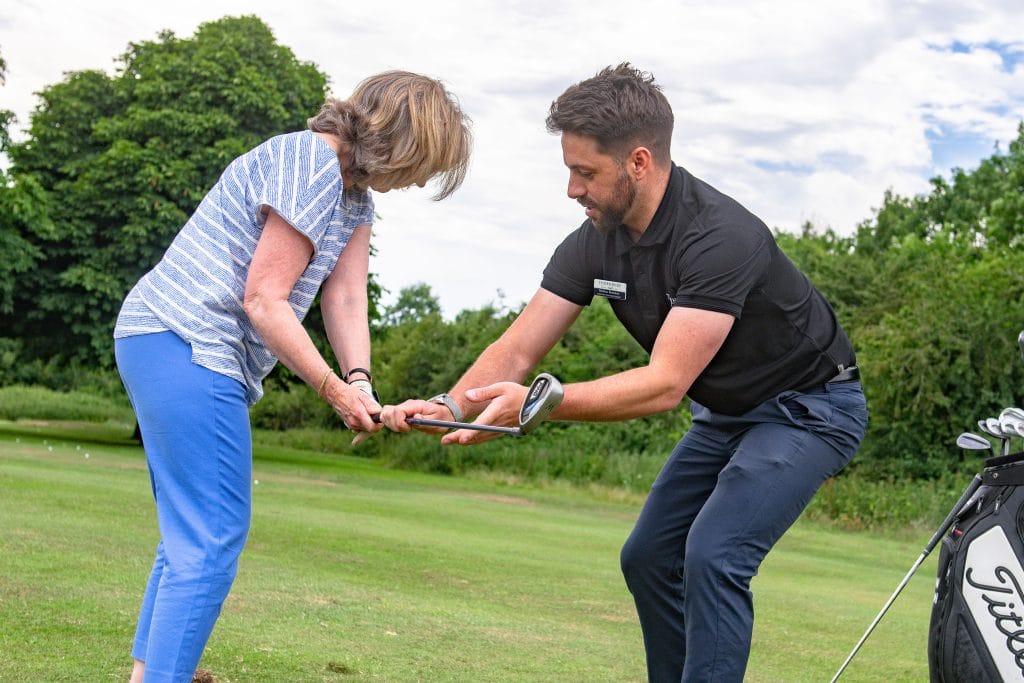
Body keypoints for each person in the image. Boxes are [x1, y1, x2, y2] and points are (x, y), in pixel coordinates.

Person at [381, 63, 867, 682]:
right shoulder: (594, 240)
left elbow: (665, 385)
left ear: (638, 162)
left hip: (810, 409)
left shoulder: (721, 237)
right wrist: (448, 405)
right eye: (568, 171)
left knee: (714, 556)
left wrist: (540, 403)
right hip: (728, 415)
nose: (572, 190)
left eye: (586, 172)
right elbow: (520, 346)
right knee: (648, 557)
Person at [113, 70, 472, 683]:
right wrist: (332, 391)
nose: (418, 180)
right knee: (213, 534)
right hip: (187, 342)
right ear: (405, 139)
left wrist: (361, 384)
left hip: (165, 340)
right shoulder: (312, 162)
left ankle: (151, 673)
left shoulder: (354, 197)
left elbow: (347, 298)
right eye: (425, 163)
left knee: (191, 536)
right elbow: (264, 300)